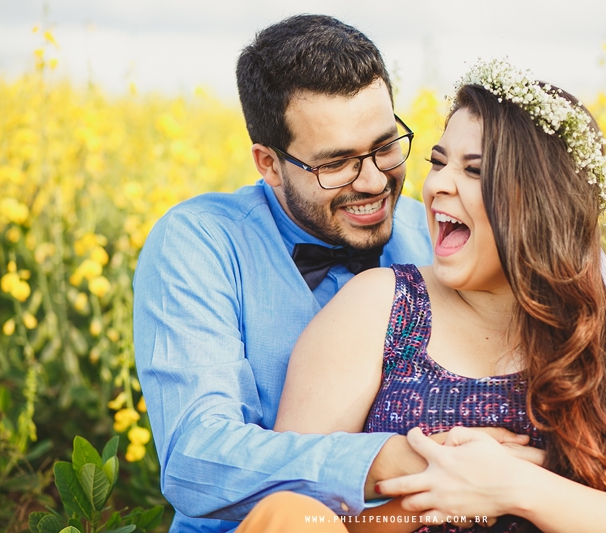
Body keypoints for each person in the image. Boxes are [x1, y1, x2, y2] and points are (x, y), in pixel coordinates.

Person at [274, 59, 606, 532]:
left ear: (544, 201)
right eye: (439, 162)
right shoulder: (379, 307)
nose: (436, 185)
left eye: (475, 170)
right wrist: (441, 488)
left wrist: (517, 486)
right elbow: (288, 514)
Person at [133, 14, 447, 532]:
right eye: (337, 163)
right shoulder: (199, 243)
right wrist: (385, 462)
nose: (373, 181)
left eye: (386, 146)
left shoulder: (435, 233)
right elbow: (196, 461)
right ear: (269, 164)